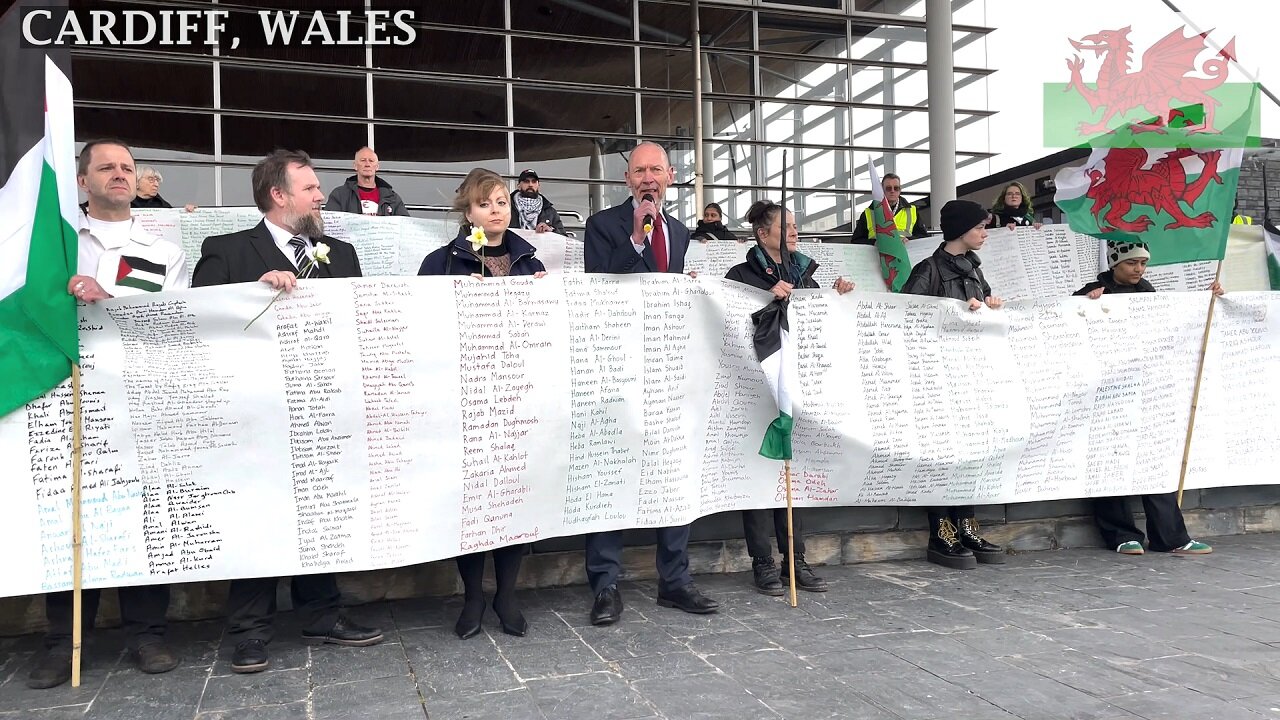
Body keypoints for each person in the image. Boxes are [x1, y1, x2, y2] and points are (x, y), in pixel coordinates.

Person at [191, 149, 383, 673]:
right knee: (260, 516)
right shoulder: (227, 250)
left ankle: (322, 611)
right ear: (279, 195)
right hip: (255, 416)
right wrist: (253, 294)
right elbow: (200, 324)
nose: (322, 196)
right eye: (311, 188)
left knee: (320, 512)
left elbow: (358, 327)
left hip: (323, 411)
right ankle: (251, 630)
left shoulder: (340, 254)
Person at [28, 140, 186, 690]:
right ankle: (63, 640)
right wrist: (61, 290)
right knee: (74, 516)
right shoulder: (56, 242)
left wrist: (113, 301)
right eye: (107, 168)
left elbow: (177, 316)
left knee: (141, 516)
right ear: (82, 181)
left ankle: (148, 632)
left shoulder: (163, 248)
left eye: (127, 168)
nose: (120, 175)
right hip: (65, 392)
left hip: (138, 394)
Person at [581, 140, 717, 623]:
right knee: (610, 471)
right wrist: (636, 243)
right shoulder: (602, 226)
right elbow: (597, 285)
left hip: (666, 370)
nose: (647, 178)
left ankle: (674, 581)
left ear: (670, 177)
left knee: (671, 471)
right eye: (638, 170)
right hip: (616, 369)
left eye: (655, 169)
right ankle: (605, 584)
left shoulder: (680, 232)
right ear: (627, 180)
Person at [419, 168, 547, 638]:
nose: (497, 211)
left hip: (517, 397)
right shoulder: (442, 261)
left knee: (513, 497)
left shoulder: (529, 260)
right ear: (467, 211)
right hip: (465, 399)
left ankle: (506, 596)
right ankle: (472, 596)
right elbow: (420, 326)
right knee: (471, 503)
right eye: (486, 204)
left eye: (502, 202)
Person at [725, 200, 854, 594]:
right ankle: (763, 562)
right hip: (756, 390)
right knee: (760, 476)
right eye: (786, 226)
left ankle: (794, 560)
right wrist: (767, 296)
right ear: (763, 234)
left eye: (796, 225)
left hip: (798, 388)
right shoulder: (740, 275)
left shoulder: (805, 274)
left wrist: (835, 298)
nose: (795, 231)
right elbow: (730, 321)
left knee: (792, 477)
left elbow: (818, 324)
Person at [1075, 241, 1219, 557]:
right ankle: (1121, 534)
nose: (1139, 269)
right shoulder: (1093, 290)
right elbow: (1067, 325)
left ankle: (1170, 536)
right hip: (1108, 396)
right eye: (1131, 264)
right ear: (1115, 263)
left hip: (1147, 393)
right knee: (1112, 463)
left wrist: (1208, 299)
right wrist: (1085, 303)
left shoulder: (1149, 292)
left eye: (1143, 263)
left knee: (1155, 462)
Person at [900, 199, 1007, 570]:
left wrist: (991, 307)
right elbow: (906, 318)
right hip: (937, 380)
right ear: (961, 230)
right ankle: (941, 532)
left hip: (970, 378)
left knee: (970, 454)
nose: (985, 233)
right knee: (941, 455)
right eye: (980, 227)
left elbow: (987, 314)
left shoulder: (976, 271)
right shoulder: (928, 270)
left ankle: (966, 525)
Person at [324, 146, 409, 217]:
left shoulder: (392, 198)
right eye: (363, 160)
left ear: (377, 167)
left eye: (371, 161)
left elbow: (405, 225)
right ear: (355, 166)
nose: (367, 164)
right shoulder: (339, 195)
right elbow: (331, 225)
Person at [850, 172, 928, 244]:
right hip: (878, 256)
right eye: (888, 188)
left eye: (896, 188)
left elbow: (924, 237)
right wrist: (874, 243)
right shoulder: (869, 212)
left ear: (900, 190)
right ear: (882, 190)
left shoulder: (912, 211)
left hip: (905, 256)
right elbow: (856, 241)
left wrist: (909, 240)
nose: (892, 191)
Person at [510, 168, 567, 235]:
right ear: (519, 186)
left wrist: (551, 230)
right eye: (526, 181)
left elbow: (563, 237)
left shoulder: (550, 212)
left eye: (534, 181)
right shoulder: (507, 208)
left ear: (538, 186)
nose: (530, 185)